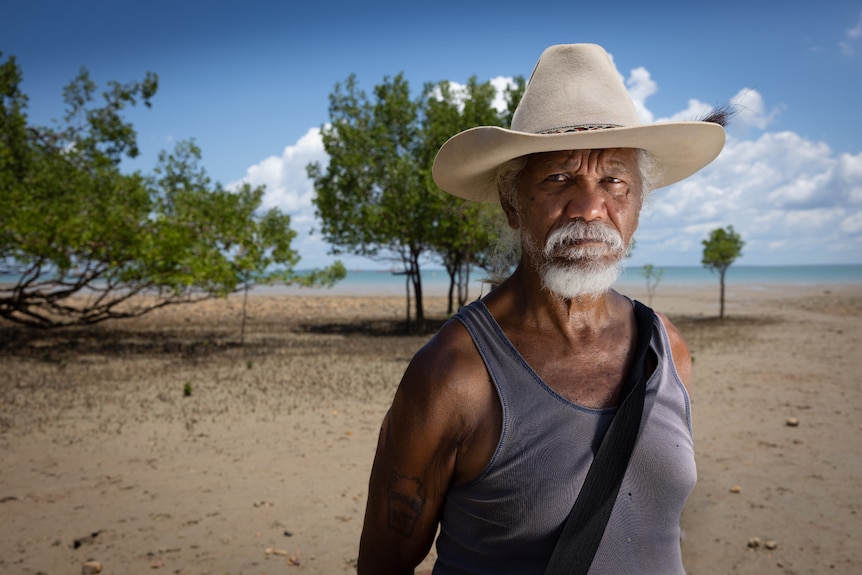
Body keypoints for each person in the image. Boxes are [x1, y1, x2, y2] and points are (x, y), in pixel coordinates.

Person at [357, 43, 728, 574]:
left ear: (638, 203)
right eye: (558, 178)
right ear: (512, 203)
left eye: (613, 181)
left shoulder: (666, 347)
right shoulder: (453, 375)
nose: (590, 208)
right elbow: (382, 564)